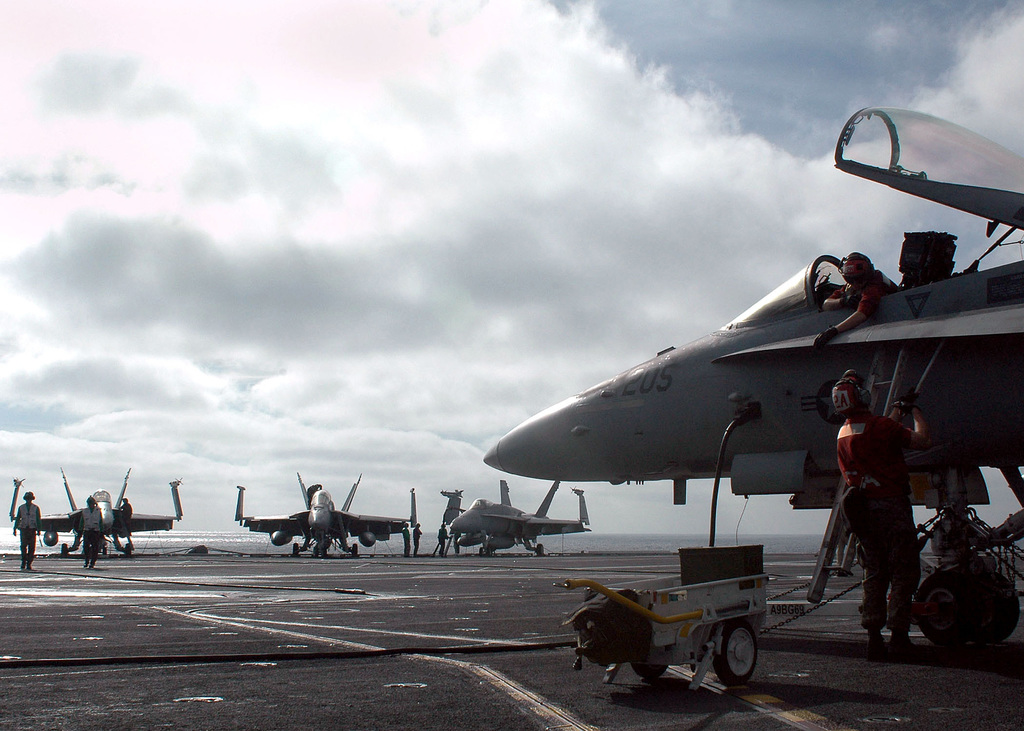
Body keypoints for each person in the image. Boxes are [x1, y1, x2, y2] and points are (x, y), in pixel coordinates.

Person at [832, 369, 931, 661]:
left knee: (874, 574)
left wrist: (896, 412)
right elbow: (922, 440)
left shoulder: (844, 433)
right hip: (892, 508)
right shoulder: (880, 427)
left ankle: (873, 638)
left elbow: (877, 435)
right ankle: (899, 637)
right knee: (904, 572)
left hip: (865, 513)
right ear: (861, 398)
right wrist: (915, 411)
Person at [815, 253, 896, 349]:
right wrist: (843, 301)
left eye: (858, 279)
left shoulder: (874, 285)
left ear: (867, 274)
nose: (856, 284)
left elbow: (862, 314)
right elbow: (826, 304)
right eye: (851, 280)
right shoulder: (849, 287)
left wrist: (835, 331)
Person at [14, 491, 42, 571]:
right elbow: (18, 518)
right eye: (27, 499)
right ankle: (23, 562)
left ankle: (29, 563)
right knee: (23, 547)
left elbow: (38, 519)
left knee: (31, 548)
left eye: (29, 498)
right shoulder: (21, 508)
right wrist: (15, 528)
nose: (28, 500)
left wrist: (39, 529)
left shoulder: (36, 508)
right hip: (23, 529)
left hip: (32, 529)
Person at [79, 496, 103, 569]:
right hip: (87, 531)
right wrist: (80, 531)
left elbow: (100, 522)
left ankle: (92, 563)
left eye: (91, 503)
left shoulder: (98, 511)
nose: (90, 504)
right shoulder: (85, 511)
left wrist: (101, 532)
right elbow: (82, 521)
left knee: (95, 548)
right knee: (86, 547)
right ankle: (86, 561)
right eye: (89, 503)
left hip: (95, 531)